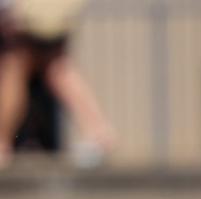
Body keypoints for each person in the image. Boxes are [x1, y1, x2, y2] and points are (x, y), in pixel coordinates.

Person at [0, 0, 115, 168]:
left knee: (17, 67)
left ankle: (2, 142)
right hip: (46, 14)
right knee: (57, 68)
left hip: (31, 14)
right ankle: (99, 132)